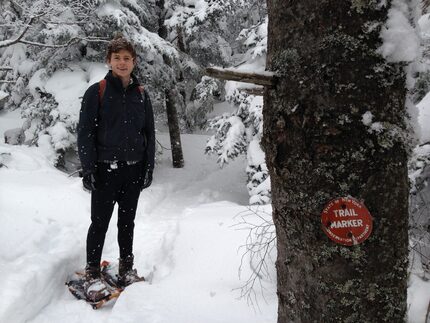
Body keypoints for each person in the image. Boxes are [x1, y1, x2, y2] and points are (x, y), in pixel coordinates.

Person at [77, 36, 155, 296]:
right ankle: (91, 273)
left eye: (127, 58)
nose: (122, 63)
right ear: (108, 61)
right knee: (99, 224)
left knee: (127, 223)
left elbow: (149, 134)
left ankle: (126, 269)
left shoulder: (141, 95)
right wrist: (88, 168)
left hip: (132, 170)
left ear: (134, 62)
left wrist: (148, 168)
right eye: (117, 58)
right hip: (104, 171)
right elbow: (85, 132)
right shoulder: (97, 92)